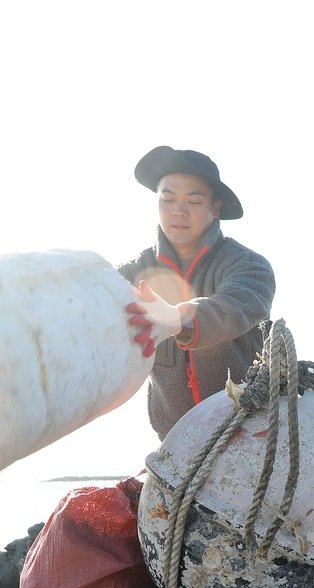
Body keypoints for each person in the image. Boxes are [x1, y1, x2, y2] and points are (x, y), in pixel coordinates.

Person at [120, 146, 277, 439]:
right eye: (168, 198)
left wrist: (178, 318)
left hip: (251, 432)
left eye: (193, 200)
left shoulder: (250, 266)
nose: (179, 210)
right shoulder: (130, 273)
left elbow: (235, 305)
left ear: (215, 207)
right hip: (175, 440)